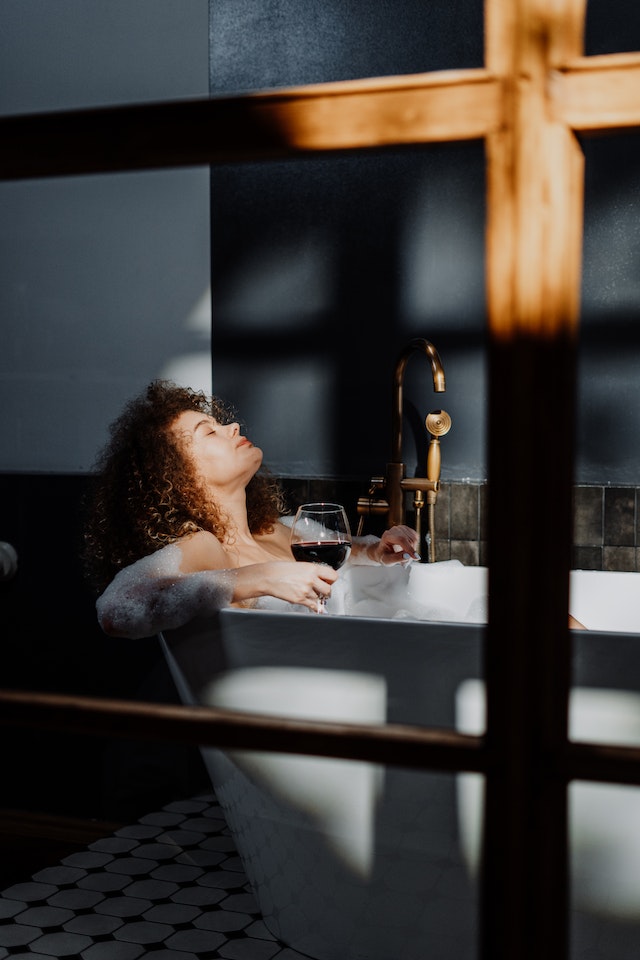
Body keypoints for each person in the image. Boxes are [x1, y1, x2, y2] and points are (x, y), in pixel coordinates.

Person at [81, 380, 420, 640]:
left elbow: (351, 551)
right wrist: (260, 578)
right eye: (209, 432)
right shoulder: (205, 546)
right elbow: (117, 609)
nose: (233, 427)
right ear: (178, 476)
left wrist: (378, 550)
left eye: (221, 423)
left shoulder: (274, 530)